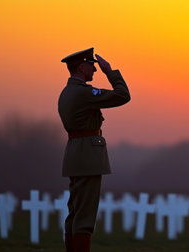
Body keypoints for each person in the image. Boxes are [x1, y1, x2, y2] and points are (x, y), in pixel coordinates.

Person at [58, 47, 130, 252]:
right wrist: (111, 72)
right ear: (81, 67)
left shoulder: (67, 92)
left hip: (75, 155)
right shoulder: (84, 93)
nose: (95, 70)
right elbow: (123, 95)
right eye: (92, 65)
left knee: (75, 212)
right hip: (87, 157)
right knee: (85, 216)